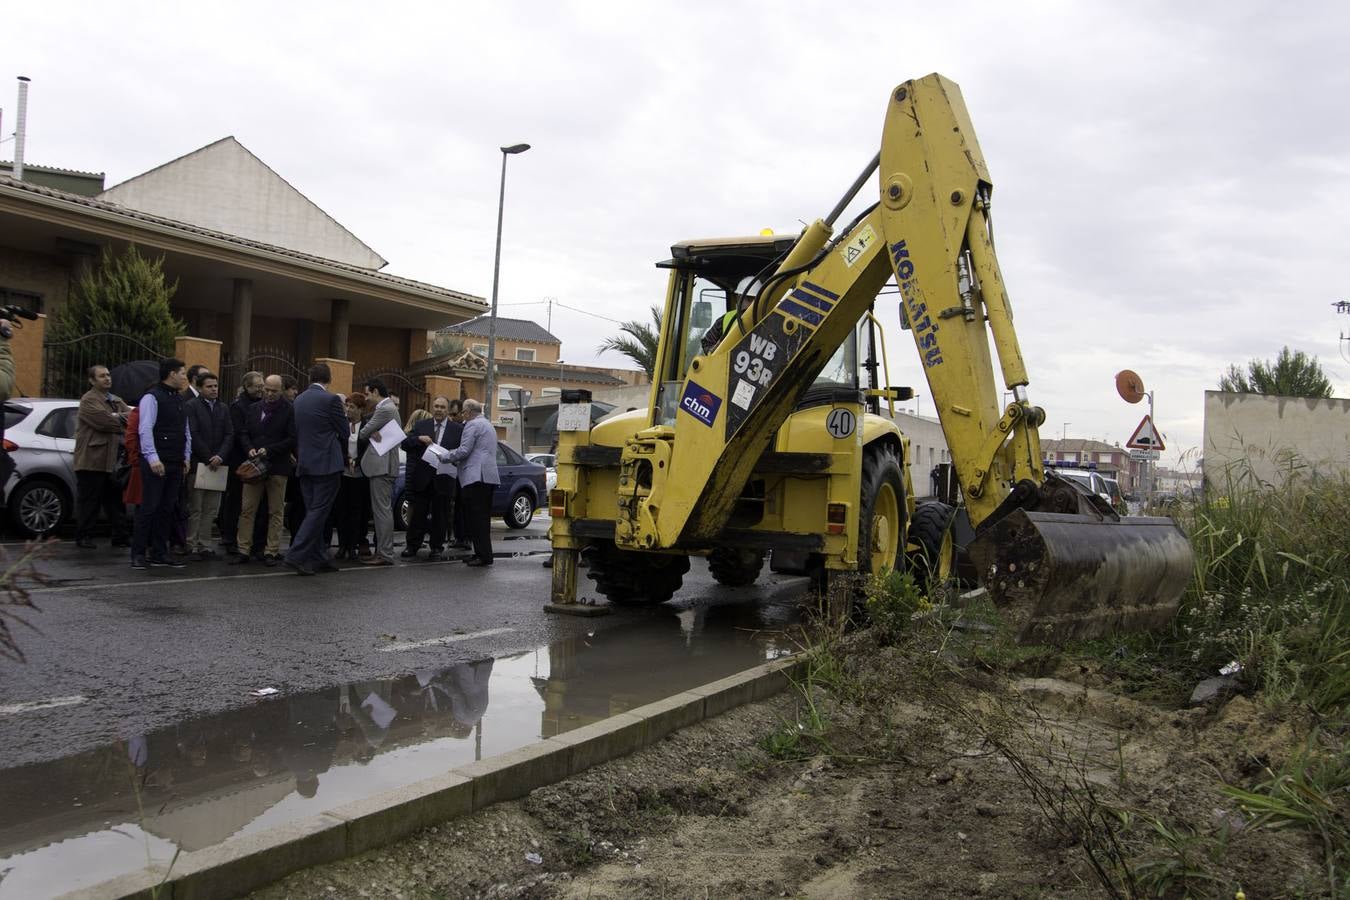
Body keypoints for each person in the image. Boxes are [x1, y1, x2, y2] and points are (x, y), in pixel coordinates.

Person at [283, 363, 348, 576]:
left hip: (305, 463)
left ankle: (319, 556)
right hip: (327, 464)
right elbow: (344, 431)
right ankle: (296, 555)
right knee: (319, 511)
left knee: (314, 511)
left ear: (310, 377)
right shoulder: (331, 400)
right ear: (329, 379)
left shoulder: (298, 399)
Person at [130, 359, 192, 570]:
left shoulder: (179, 399)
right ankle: (138, 553)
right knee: (149, 508)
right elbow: (145, 428)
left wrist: (186, 455)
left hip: (176, 461)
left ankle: (160, 552)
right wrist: (152, 457)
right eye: (182, 373)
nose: (185, 377)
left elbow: (185, 431)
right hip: (157, 461)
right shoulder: (152, 397)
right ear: (171, 374)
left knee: (167, 509)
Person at [233, 375, 296, 565]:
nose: (268, 394)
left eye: (273, 391)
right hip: (254, 466)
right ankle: (243, 549)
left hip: (277, 466)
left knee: (275, 511)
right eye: (266, 389)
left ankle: (271, 550)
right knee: (247, 509)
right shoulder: (253, 408)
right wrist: (249, 448)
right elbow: (243, 433)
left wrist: (269, 450)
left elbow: (292, 438)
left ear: (281, 390)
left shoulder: (289, 410)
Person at [73, 365, 131, 549]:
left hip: (113, 461)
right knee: (90, 502)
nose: (107, 378)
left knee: (115, 501)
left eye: (108, 375)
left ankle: (120, 536)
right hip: (92, 460)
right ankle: (84, 536)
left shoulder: (115, 399)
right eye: (102, 376)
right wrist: (118, 418)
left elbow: (132, 418)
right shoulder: (88, 400)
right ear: (92, 380)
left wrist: (116, 416)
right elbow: (104, 422)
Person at [400, 396, 462, 561]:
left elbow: (462, 452)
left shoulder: (457, 429)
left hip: (444, 478)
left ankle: (436, 547)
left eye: (442, 407)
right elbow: (404, 444)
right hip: (423, 477)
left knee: (440, 515)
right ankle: (412, 546)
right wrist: (418, 439)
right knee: (418, 515)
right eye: (436, 406)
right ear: (432, 408)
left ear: (447, 410)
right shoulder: (422, 425)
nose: (439, 409)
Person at [185, 371, 232, 560]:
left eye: (215, 386)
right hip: (200, 465)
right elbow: (193, 434)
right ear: (200, 388)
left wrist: (220, 455)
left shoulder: (223, 408)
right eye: (209, 386)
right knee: (195, 507)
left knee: (211, 508)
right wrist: (208, 456)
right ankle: (191, 544)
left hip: (218, 465)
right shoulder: (192, 406)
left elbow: (230, 433)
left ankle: (205, 544)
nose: (213, 389)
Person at [446, 398, 499, 567]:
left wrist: (444, 456)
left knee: (476, 519)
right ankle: (482, 553)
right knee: (482, 518)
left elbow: (464, 450)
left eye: (463, 412)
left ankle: (482, 556)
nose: (462, 415)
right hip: (488, 477)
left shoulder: (472, 425)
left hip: (475, 477)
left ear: (468, 412)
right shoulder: (488, 425)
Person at [220, 372, 264, 555]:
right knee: (235, 501)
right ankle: (229, 537)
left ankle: (249, 539)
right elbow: (239, 432)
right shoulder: (238, 406)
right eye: (258, 386)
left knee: (254, 503)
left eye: (262, 385)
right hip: (240, 460)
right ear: (247, 387)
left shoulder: (262, 404)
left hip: (257, 458)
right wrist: (250, 449)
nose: (261, 389)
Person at [358, 378, 400, 567]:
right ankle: (383, 551)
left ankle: (384, 553)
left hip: (382, 467)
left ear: (375, 392)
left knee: (381, 511)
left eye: (368, 394)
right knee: (383, 510)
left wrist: (372, 430)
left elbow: (363, 432)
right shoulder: (390, 408)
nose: (366, 398)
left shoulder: (384, 408)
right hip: (384, 466)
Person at [335, 392, 371, 559]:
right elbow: (338, 446)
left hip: (360, 473)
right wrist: (346, 459)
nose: (348, 410)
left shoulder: (367, 426)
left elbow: (369, 450)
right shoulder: (342, 424)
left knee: (357, 511)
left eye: (352, 407)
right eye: (347, 406)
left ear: (361, 409)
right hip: (343, 472)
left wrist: (356, 462)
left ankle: (353, 545)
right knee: (342, 510)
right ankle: (342, 545)